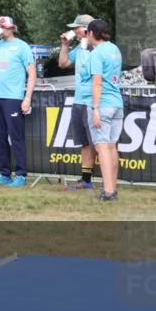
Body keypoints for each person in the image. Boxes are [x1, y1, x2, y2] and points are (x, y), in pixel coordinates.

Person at [0, 16, 35, 187]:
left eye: (1, 26)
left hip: (13, 98)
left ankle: (21, 175)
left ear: (11, 28)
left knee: (16, 137)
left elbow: (32, 73)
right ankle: (4, 174)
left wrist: (27, 98)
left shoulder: (22, 46)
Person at [85, 19, 123, 201]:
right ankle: (112, 188)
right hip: (117, 103)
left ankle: (108, 192)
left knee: (102, 148)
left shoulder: (96, 53)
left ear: (92, 34)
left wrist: (95, 108)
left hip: (104, 104)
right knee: (111, 147)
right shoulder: (114, 49)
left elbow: (97, 82)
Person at [58, 14, 96, 190]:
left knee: (102, 144)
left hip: (95, 102)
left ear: (87, 29)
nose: (73, 31)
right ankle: (86, 180)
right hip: (79, 101)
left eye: (76, 28)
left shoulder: (99, 48)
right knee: (85, 143)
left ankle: (110, 185)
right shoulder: (79, 49)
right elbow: (63, 63)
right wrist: (65, 45)